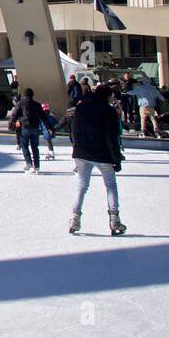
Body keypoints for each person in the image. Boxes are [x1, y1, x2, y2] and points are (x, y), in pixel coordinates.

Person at [69, 84, 126, 236]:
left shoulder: (81, 108)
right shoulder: (108, 111)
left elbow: (74, 131)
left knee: (82, 185)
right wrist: (117, 159)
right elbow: (111, 137)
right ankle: (114, 220)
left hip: (81, 152)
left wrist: (76, 149)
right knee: (111, 185)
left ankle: (75, 218)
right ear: (108, 96)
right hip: (102, 154)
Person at [10, 88, 44, 173]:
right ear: (32, 95)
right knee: (35, 147)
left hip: (25, 128)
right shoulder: (37, 105)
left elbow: (15, 114)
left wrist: (11, 123)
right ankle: (37, 166)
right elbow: (43, 117)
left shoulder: (21, 103)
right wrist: (49, 127)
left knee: (24, 146)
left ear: (24, 95)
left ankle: (29, 164)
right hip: (35, 128)